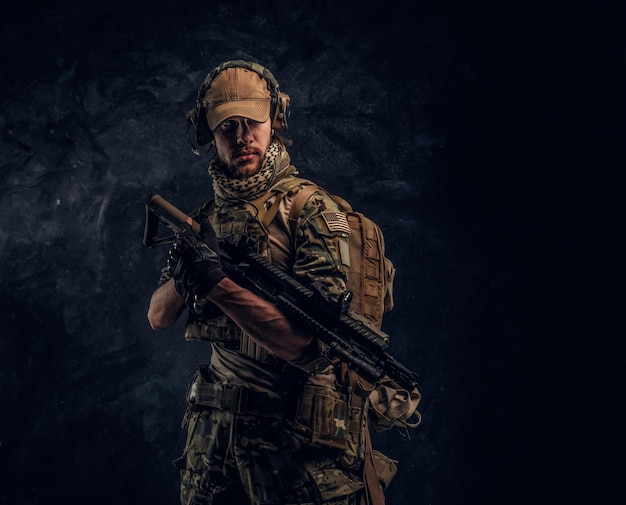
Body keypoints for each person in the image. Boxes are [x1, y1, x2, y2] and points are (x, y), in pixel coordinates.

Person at [147, 60, 419, 505]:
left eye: (252, 123)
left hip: (294, 450)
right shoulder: (206, 219)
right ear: (207, 134)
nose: (242, 138)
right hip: (214, 444)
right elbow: (158, 316)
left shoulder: (311, 211)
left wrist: (216, 282)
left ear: (275, 119)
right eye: (227, 127)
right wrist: (187, 272)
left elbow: (305, 347)